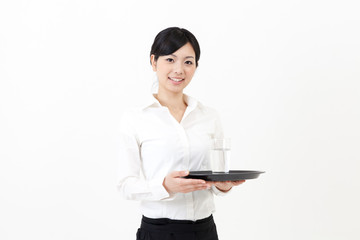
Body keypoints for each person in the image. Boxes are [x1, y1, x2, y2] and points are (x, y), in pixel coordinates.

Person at [117, 27, 245, 240]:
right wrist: (165, 186)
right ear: (153, 61)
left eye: (188, 62)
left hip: (205, 231)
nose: (179, 70)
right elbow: (125, 185)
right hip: (159, 232)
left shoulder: (209, 116)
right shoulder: (135, 118)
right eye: (170, 59)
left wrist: (223, 186)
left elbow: (215, 176)